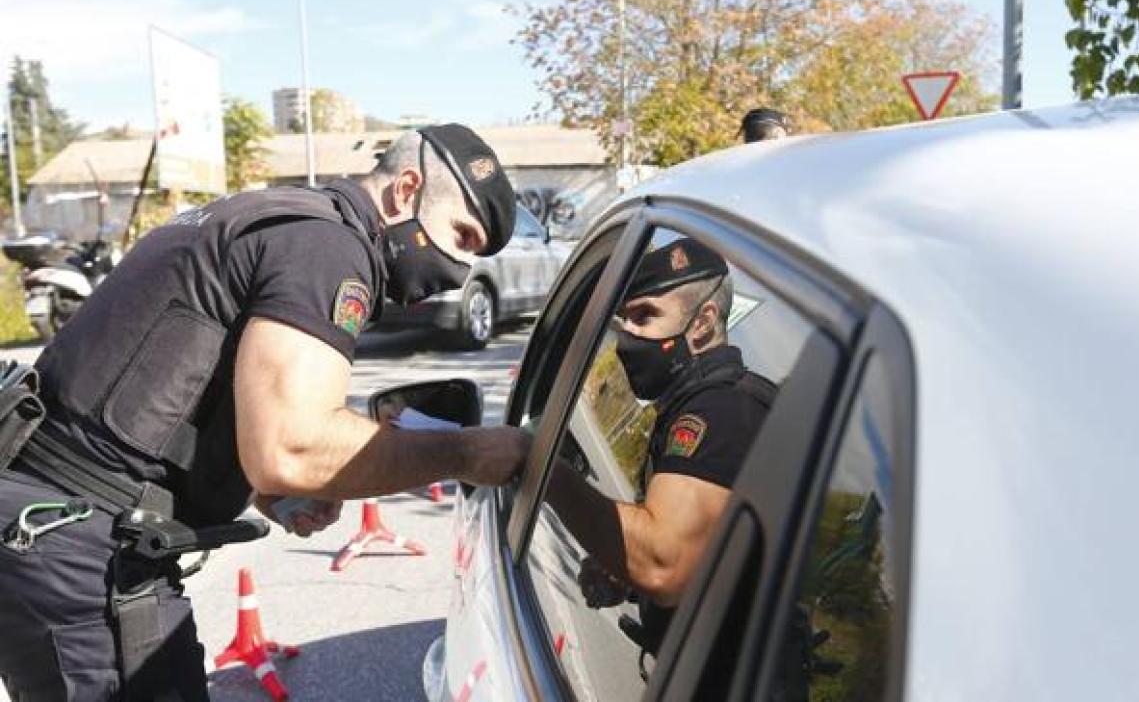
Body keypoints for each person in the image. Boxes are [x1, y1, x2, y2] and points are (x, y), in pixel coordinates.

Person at [0, 125, 531, 700]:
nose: (459, 267)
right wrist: (470, 453)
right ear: (406, 190)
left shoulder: (266, 214)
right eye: (461, 235)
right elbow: (293, 447)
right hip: (81, 551)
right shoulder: (328, 247)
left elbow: (172, 377)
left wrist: (256, 484)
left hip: (43, 521)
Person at [545, 239, 776, 662]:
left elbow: (662, 563)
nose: (627, 335)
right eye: (625, 319)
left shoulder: (722, 411)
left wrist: (543, 469)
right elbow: (712, 561)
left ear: (702, 322)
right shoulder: (697, 401)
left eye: (645, 316)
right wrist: (625, 572)